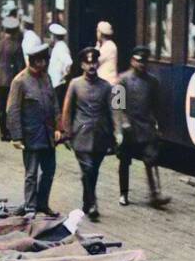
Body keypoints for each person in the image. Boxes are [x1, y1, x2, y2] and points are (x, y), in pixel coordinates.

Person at [6, 30, 60, 214]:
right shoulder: (20, 82)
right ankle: (30, 206)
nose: (41, 65)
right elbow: (13, 110)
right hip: (30, 134)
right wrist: (16, 136)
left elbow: (54, 104)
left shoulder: (46, 78)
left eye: (44, 61)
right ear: (31, 61)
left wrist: (58, 127)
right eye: (38, 61)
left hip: (47, 134)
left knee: (49, 171)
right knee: (31, 173)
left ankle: (42, 203)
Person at [59, 45, 113, 219]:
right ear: (82, 65)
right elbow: (66, 109)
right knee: (88, 169)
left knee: (93, 171)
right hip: (81, 135)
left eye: (94, 62)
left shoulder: (106, 86)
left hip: (100, 136)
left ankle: (86, 201)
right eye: (87, 63)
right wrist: (66, 133)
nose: (91, 66)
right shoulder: (75, 84)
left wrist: (116, 134)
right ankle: (93, 203)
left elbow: (114, 110)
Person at [114, 47, 169, 207]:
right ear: (132, 61)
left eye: (144, 61)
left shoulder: (153, 81)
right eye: (138, 60)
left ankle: (155, 194)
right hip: (128, 127)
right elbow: (116, 106)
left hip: (145, 126)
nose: (141, 64)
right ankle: (123, 194)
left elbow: (157, 106)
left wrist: (157, 124)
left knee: (151, 158)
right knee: (125, 161)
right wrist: (121, 125)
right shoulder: (122, 79)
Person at [0, 15, 24, 142]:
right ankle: (10, 132)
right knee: (11, 107)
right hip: (12, 80)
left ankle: (3, 133)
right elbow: (20, 66)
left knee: (0, 107)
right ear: (15, 30)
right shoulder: (16, 46)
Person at [47, 22, 72, 109]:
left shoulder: (61, 47)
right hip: (55, 84)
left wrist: (64, 77)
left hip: (58, 85)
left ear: (54, 36)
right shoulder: (58, 47)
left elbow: (68, 63)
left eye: (51, 36)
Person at [95, 20, 119, 85]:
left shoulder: (109, 46)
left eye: (97, 31)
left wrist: (97, 46)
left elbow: (95, 61)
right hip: (104, 80)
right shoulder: (104, 45)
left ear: (100, 33)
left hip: (107, 80)